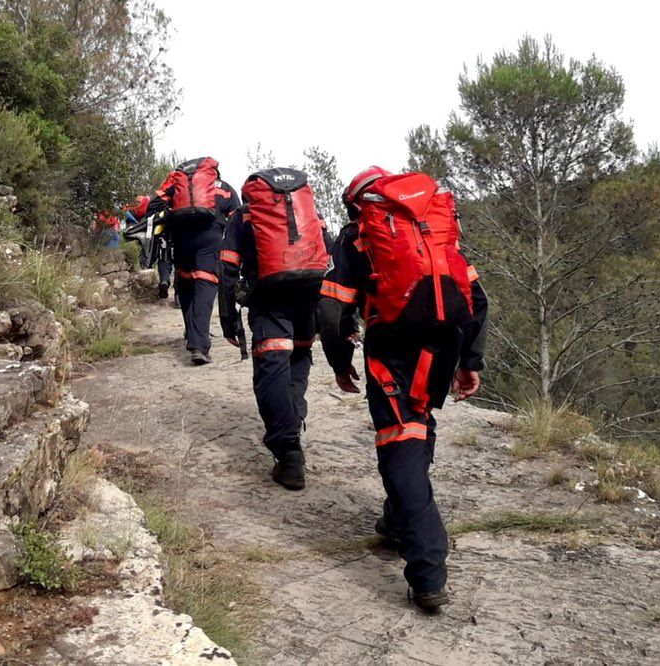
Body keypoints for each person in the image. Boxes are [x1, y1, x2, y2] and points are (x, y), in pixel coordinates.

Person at [318, 166, 489, 612]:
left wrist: (339, 363)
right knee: (418, 423)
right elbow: (477, 298)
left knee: (400, 446)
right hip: (444, 344)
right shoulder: (433, 227)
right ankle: (397, 521)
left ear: (357, 203)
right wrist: (470, 361)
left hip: (393, 352)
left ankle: (428, 569)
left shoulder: (360, 235)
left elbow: (332, 311)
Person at [219, 168, 331, 490]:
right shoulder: (308, 211)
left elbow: (226, 266)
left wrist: (230, 320)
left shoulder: (244, 216)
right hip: (308, 297)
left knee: (271, 369)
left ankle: (289, 452)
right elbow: (330, 254)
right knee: (298, 358)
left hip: (269, 298)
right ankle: (293, 423)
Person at [152, 157, 239, 365]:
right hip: (210, 238)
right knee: (205, 287)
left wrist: (171, 213)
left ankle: (193, 334)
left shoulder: (176, 186)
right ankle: (199, 345)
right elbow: (237, 217)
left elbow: (153, 206)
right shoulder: (224, 188)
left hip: (182, 238)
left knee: (186, 285)